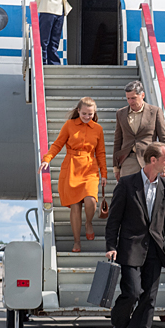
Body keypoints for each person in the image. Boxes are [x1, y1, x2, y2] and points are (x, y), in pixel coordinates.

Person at [104, 142, 165, 328]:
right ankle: (119, 325)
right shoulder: (127, 184)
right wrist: (111, 246)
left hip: (155, 250)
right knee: (133, 293)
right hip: (130, 248)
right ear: (153, 160)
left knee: (149, 299)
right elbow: (114, 219)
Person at [40, 97, 108, 252]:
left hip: (90, 168)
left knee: (91, 200)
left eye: (90, 114)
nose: (87, 117)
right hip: (71, 168)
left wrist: (104, 173)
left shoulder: (98, 129)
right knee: (75, 206)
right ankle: (77, 241)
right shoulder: (69, 125)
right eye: (84, 113)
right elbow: (57, 144)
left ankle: (88, 223)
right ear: (78, 111)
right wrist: (47, 159)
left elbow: (101, 153)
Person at [113, 81, 165, 180]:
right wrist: (116, 167)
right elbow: (118, 140)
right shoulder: (121, 114)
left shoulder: (155, 112)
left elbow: (164, 139)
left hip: (149, 159)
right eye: (128, 98)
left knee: (148, 193)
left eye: (134, 98)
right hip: (128, 160)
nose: (131, 101)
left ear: (142, 95)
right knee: (127, 192)